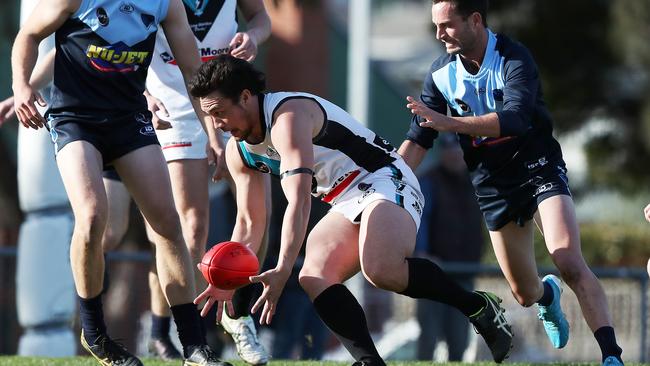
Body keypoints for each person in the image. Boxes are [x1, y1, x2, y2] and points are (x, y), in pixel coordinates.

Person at [190, 54, 514, 364]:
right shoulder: (239, 152)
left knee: (380, 269)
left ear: (246, 97)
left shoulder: (287, 117)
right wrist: (226, 278)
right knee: (314, 276)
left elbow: (299, 200)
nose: (217, 124)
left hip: (385, 177)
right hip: (344, 198)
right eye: (210, 116)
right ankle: (370, 361)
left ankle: (478, 307)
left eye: (219, 112)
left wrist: (282, 267)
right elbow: (249, 221)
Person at [398, 1, 624, 365]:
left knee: (568, 260)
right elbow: (419, 137)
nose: (439, 34)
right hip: (493, 186)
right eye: (436, 26)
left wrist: (450, 123)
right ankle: (547, 298)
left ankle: (612, 356)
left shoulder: (513, 57)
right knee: (524, 293)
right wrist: (387, 181)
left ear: (475, 20)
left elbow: (515, 119)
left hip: (538, 168)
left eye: (447, 25)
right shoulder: (440, 73)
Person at [11, 1, 229, 365]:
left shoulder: (165, 4)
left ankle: (193, 345)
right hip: (74, 119)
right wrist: (20, 86)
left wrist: (214, 134)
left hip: (129, 120)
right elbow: (28, 36)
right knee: (94, 216)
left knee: (168, 224)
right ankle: (96, 335)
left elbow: (194, 71)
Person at [98, 1, 271, 363]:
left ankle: (236, 314)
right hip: (174, 111)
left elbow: (261, 17)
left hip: (232, 105)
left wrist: (253, 36)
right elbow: (117, 40)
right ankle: (175, 332)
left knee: (258, 215)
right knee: (188, 228)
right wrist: (140, 92)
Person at [413, 133, 484, 361]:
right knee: (429, 336)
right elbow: (420, 221)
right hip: (434, 272)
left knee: (459, 338)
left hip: (464, 272)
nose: (454, 153)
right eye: (448, 148)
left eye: (458, 148)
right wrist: (422, 254)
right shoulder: (429, 181)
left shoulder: (476, 181)